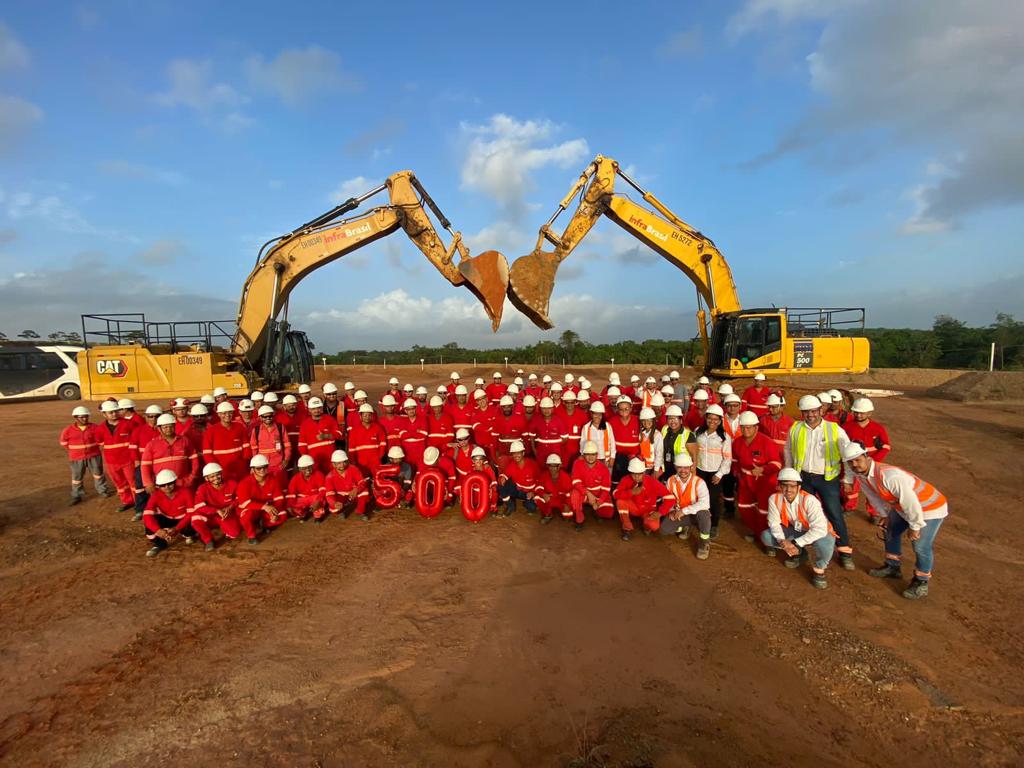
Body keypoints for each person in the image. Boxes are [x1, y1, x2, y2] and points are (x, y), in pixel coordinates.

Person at [844, 444, 947, 600]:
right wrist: (885, 515)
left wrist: (915, 526)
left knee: (920, 545)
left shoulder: (890, 476)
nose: (854, 465)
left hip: (929, 508)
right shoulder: (863, 474)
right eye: (850, 462)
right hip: (905, 507)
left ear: (866, 456)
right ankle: (893, 567)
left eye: (857, 460)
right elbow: (873, 497)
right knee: (889, 528)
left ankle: (921, 582)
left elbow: (910, 502)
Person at [784, 395, 856, 570]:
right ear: (802, 412)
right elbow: (788, 450)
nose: (810, 415)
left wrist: (848, 479)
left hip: (827, 479)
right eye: (806, 412)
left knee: (834, 513)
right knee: (801, 515)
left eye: (813, 411)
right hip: (803, 478)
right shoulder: (795, 428)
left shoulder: (834, 429)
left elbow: (848, 455)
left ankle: (844, 551)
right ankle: (799, 551)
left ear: (821, 410)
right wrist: (789, 473)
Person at [762, 468, 836, 589]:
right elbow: (774, 523)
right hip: (796, 531)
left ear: (799, 487)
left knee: (826, 541)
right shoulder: (774, 499)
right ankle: (801, 554)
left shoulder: (810, 500)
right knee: (766, 537)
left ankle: (819, 569)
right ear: (779, 486)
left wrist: (795, 543)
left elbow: (820, 529)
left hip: (818, 532)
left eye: (792, 486)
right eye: (784, 485)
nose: (788, 490)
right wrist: (783, 541)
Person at [732, 411, 782, 543]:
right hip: (745, 481)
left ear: (756, 427)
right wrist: (737, 472)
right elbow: (735, 460)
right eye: (743, 427)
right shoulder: (737, 442)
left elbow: (777, 464)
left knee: (764, 511)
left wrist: (763, 469)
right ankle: (758, 532)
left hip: (765, 482)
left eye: (749, 427)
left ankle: (768, 539)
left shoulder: (767, 442)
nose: (745, 430)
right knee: (744, 508)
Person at [842, 398, 892, 519]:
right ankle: (849, 507)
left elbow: (886, 446)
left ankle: (874, 512)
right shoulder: (847, 427)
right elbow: (843, 446)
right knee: (852, 487)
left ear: (869, 413)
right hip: (853, 464)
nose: (858, 415)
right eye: (856, 412)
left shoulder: (878, 428)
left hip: (872, 465)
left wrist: (874, 461)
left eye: (862, 413)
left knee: (873, 489)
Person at [661, 453, 712, 559]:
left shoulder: (699, 482)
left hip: (695, 514)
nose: (683, 470)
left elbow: (705, 503)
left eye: (686, 467)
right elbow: (667, 499)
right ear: (675, 467)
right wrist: (671, 510)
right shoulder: (670, 481)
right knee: (664, 529)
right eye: (680, 467)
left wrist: (684, 511)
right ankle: (685, 527)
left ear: (691, 467)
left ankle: (704, 543)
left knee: (704, 514)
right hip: (680, 513)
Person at [613, 457, 674, 541]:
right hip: (634, 508)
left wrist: (660, 512)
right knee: (620, 501)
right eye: (634, 474)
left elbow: (670, 498)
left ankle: (646, 525)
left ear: (644, 472)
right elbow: (615, 494)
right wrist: (631, 492)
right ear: (630, 472)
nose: (637, 477)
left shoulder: (652, 482)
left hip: (648, 510)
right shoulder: (626, 479)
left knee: (654, 526)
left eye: (640, 474)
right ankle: (627, 527)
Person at [61, 405, 112, 505]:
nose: (84, 419)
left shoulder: (95, 428)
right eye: (82, 417)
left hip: (94, 456)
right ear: (75, 418)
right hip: (76, 458)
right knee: (77, 477)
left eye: (86, 416)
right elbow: (63, 442)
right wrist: (75, 451)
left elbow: (101, 439)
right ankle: (76, 495)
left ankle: (102, 491)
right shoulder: (68, 430)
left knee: (98, 474)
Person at [694, 404, 732, 539]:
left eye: (716, 419)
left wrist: (719, 474)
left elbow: (727, 458)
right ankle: (701, 520)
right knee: (700, 497)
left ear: (720, 421)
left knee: (713, 499)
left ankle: (714, 525)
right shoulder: (698, 432)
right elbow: (693, 451)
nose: (712, 422)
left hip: (714, 472)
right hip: (700, 470)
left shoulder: (724, 437)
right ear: (706, 418)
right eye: (710, 418)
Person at [142, 469, 196, 557]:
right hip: (167, 518)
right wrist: (158, 530)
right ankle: (160, 544)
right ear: (158, 486)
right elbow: (147, 515)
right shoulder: (155, 495)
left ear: (175, 481)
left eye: (170, 483)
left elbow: (191, 513)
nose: (167, 487)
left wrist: (177, 528)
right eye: (163, 485)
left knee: (193, 523)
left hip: (183, 518)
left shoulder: (186, 492)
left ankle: (187, 534)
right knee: (149, 526)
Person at [190, 462, 242, 551]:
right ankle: (208, 540)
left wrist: (230, 507)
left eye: (217, 475)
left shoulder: (232, 483)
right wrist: (216, 510)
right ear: (206, 478)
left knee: (234, 533)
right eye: (212, 476)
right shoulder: (202, 488)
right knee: (195, 518)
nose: (216, 478)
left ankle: (223, 526)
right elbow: (198, 506)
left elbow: (240, 498)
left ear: (221, 474)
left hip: (227, 513)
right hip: (211, 514)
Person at [141, 413, 199, 492]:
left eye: (171, 426)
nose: (168, 429)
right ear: (159, 428)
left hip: (183, 483)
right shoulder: (152, 444)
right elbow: (145, 465)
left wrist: (192, 477)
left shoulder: (184, 440)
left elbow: (194, 459)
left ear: (175, 426)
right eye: (165, 427)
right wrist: (148, 483)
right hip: (162, 486)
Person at [236, 454, 287, 544]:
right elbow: (244, 503)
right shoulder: (244, 483)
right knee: (246, 515)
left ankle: (265, 524)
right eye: (258, 468)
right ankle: (251, 536)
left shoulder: (273, 480)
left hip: (266, 508)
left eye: (264, 467)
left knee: (282, 515)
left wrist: (274, 512)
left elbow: (279, 499)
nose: (262, 470)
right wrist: (264, 507)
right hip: (252, 509)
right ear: (252, 469)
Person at [97, 400, 135, 511]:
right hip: (111, 462)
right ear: (104, 414)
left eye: (115, 411)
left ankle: (139, 503)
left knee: (133, 483)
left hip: (128, 460)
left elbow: (135, 440)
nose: (114, 414)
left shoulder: (128, 424)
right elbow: (100, 442)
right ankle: (127, 501)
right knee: (120, 484)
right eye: (110, 412)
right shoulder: (100, 428)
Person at [569, 440, 614, 529]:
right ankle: (579, 518)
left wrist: (599, 502)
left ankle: (595, 509)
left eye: (593, 454)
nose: (590, 457)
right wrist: (588, 494)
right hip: (584, 493)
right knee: (574, 494)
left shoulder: (604, 468)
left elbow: (606, 489)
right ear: (584, 455)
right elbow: (575, 481)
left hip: (598, 495)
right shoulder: (577, 463)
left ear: (597, 455)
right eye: (588, 454)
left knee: (608, 513)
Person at [129, 405, 163, 520]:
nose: (153, 419)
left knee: (160, 486)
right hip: (143, 464)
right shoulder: (138, 430)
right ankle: (140, 509)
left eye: (157, 416)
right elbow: (133, 447)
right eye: (150, 416)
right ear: (146, 417)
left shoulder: (163, 430)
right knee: (140, 487)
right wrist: (137, 462)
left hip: (159, 464)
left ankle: (159, 508)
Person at [203, 401, 250, 482]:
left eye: (230, 413)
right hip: (222, 470)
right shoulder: (211, 431)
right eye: (224, 413)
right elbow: (207, 453)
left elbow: (246, 447)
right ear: (219, 414)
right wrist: (215, 469)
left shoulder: (239, 427)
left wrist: (244, 463)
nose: (227, 415)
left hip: (240, 468)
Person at [297, 397, 341, 474]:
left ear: (322, 408)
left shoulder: (330, 419)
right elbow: (302, 444)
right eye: (314, 409)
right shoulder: (305, 424)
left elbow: (339, 434)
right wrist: (306, 459)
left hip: (330, 457)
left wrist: (326, 436)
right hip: (314, 459)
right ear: (309, 410)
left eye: (319, 408)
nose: (316, 410)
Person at [249, 405, 291, 486]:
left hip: (279, 465)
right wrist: (255, 465)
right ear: (260, 417)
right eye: (265, 416)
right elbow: (254, 449)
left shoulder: (280, 427)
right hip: (262, 467)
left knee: (281, 486)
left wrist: (286, 459)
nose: (268, 418)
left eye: (270, 416)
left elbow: (287, 445)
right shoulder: (256, 430)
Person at [498, 440, 540, 516]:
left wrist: (534, 492)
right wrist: (503, 477)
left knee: (532, 508)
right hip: (517, 490)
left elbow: (540, 481)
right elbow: (505, 474)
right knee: (501, 486)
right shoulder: (512, 464)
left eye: (518, 453)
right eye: (514, 453)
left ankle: (527, 503)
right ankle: (510, 506)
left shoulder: (532, 465)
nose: (516, 455)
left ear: (523, 453)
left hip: (529, 492)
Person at [325, 449, 370, 520]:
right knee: (334, 509)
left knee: (365, 492)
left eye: (344, 462)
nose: (342, 465)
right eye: (339, 463)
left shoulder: (353, 469)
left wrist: (357, 489)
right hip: (342, 496)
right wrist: (334, 503)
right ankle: (347, 508)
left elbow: (362, 482)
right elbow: (329, 494)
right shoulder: (329, 477)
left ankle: (360, 511)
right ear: (333, 464)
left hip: (354, 493)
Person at [659, 405, 697, 482]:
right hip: (666, 468)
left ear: (680, 420)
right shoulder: (664, 429)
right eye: (670, 418)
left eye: (675, 418)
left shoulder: (688, 435)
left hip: (681, 471)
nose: (672, 421)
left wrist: (692, 472)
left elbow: (694, 456)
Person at [348, 403, 386, 476]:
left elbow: (383, 443)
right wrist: (353, 462)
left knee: (377, 481)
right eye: (365, 415)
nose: (367, 417)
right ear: (360, 416)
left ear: (371, 416)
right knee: (364, 482)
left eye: (369, 415)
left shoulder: (378, 428)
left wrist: (379, 456)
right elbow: (351, 449)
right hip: (361, 463)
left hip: (375, 461)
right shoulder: (354, 431)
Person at [609, 396, 641, 483]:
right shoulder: (612, 421)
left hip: (635, 459)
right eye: (621, 409)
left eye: (626, 408)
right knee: (618, 483)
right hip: (618, 460)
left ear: (631, 408)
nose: (623, 411)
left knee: (633, 484)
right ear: (617, 409)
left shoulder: (638, 421)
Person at [287, 454, 327, 522]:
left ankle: (318, 515)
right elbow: (291, 494)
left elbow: (323, 491)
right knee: (293, 504)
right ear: (299, 469)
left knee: (321, 500)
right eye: (304, 468)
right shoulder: (295, 479)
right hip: (303, 499)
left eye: (309, 467)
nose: (307, 470)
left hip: (314, 498)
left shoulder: (319, 474)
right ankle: (302, 514)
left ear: (313, 466)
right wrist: (290, 506)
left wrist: (318, 501)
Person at [536, 453, 573, 524]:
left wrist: (567, 504)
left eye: (555, 466)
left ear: (559, 466)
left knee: (567, 515)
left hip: (562, 500)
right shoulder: (544, 475)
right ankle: (548, 514)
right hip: (550, 499)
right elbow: (538, 487)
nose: (552, 468)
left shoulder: (565, 477)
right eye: (550, 466)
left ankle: (566, 514)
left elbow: (570, 492)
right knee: (538, 498)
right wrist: (543, 494)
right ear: (547, 466)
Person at [532, 397, 567, 467]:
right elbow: (532, 436)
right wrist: (535, 450)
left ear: (552, 409)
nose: (546, 411)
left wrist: (554, 445)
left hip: (555, 455)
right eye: (544, 408)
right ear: (541, 409)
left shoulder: (559, 421)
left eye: (549, 408)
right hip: (541, 455)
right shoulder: (536, 420)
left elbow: (565, 439)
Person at [579, 401, 615, 467]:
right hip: (591, 460)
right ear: (591, 414)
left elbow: (612, 443)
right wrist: (584, 457)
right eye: (595, 414)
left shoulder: (607, 426)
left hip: (606, 460)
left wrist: (612, 458)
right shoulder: (586, 428)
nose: (597, 416)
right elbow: (582, 444)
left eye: (600, 414)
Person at [399, 398, 429, 467]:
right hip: (407, 452)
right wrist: (417, 431)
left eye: (412, 408)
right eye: (409, 409)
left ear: (415, 409)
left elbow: (424, 434)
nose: (411, 411)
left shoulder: (422, 419)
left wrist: (408, 432)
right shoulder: (402, 421)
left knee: (421, 472)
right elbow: (402, 435)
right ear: (406, 411)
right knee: (409, 473)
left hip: (420, 452)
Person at [637, 407, 665, 477]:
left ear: (653, 421)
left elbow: (659, 453)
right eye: (644, 421)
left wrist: (656, 470)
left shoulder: (657, 435)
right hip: (643, 467)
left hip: (654, 468)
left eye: (649, 420)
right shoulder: (640, 434)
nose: (646, 423)